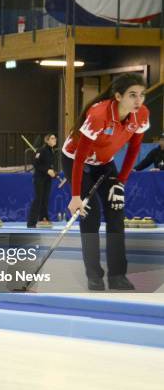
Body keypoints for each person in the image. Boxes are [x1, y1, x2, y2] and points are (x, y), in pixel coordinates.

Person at [61, 73, 149, 291]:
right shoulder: (99, 114)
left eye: (142, 95)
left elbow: (134, 149)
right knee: (90, 216)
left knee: (116, 212)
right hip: (76, 161)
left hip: (105, 163)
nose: (138, 101)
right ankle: (94, 276)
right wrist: (75, 197)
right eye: (132, 95)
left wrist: (121, 182)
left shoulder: (141, 114)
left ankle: (118, 276)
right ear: (118, 96)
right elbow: (80, 156)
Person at [27, 133, 57, 228]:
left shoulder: (52, 151)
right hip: (39, 179)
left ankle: (43, 219)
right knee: (38, 199)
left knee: (45, 199)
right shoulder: (41, 150)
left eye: (55, 138)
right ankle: (31, 223)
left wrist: (54, 172)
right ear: (47, 140)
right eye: (52, 138)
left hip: (47, 179)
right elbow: (36, 164)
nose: (54, 140)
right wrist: (47, 170)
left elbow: (51, 166)